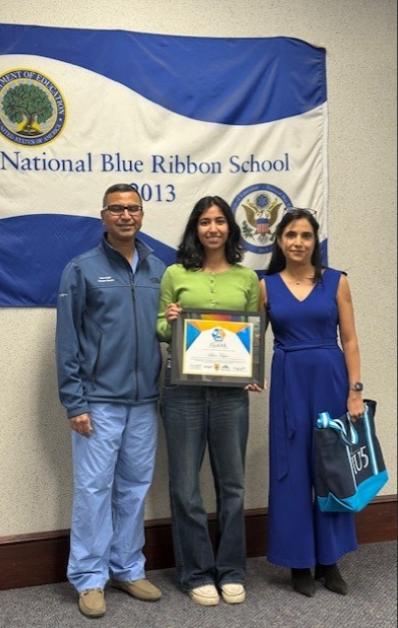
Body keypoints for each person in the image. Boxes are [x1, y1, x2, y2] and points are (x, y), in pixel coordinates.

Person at [56, 183, 165, 618]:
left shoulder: (159, 268)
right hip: (97, 402)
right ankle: (88, 577)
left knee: (135, 488)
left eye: (132, 208)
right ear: (103, 215)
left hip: (144, 402)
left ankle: (128, 567)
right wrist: (74, 401)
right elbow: (67, 341)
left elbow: (166, 330)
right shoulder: (81, 269)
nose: (125, 215)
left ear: (142, 215)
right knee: (93, 489)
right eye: (116, 209)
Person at [156, 195, 260, 606]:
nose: (212, 228)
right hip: (182, 393)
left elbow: (255, 332)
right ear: (195, 229)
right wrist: (173, 320)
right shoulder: (174, 273)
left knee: (232, 485)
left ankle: (232, 569)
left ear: (230, 228)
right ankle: (196, 571)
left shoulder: (247, 279)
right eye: (204, 222)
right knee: (185, 487)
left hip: (231, 395)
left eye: (220, 221)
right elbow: (160, 328)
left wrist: (252, 372)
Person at [259, 207, 365, 598]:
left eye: (305, 235)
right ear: (280, 241)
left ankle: (330, 560)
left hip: (330, 382)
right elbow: (251, 340)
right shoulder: (266, 286)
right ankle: (299, 562)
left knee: (331, 471)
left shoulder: (337, 282)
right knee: (292, 471)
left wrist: (355, 391)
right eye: (291, 235)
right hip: (289, 386)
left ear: (314, 241)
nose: (298, 242)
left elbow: (350, 340)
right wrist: (249, 375)